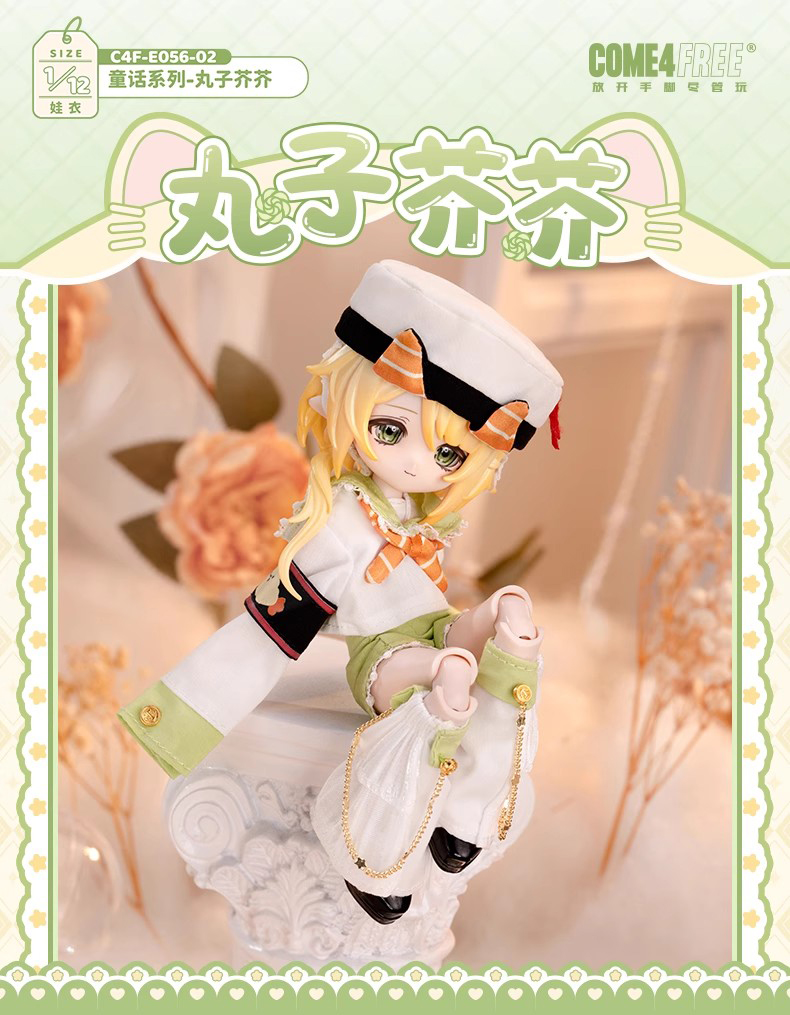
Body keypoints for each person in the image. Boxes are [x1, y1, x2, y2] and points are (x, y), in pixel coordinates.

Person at [119, 259, 563, 923]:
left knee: (508, 613)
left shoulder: (417, 515)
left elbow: (438, 608)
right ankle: (385, 850)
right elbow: (271, 630)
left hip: (438, 624)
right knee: (443, 670)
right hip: (383, 655)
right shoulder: (338, 527)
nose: (415, 461)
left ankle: (469, 813)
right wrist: (180, 714)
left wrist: (490, 621)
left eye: (448, 455)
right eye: (391, 429)